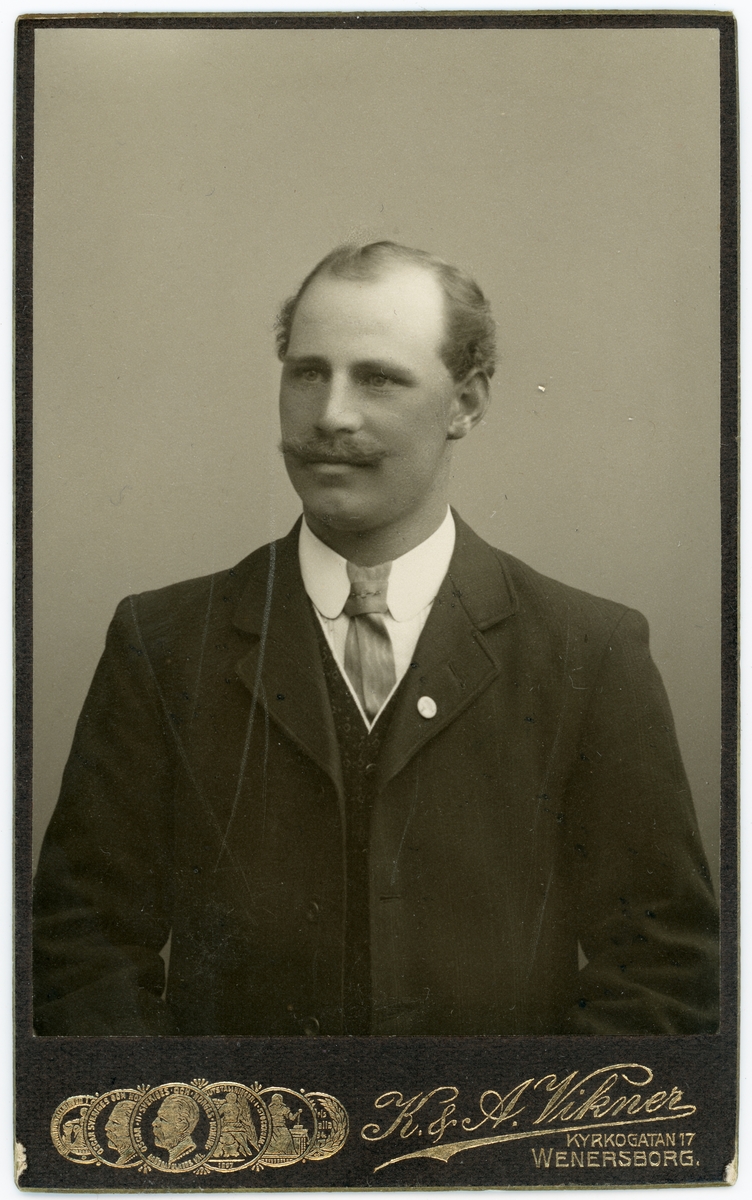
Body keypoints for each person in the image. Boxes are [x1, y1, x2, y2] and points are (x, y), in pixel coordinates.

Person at [33, 241, 718, 1037]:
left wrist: (522, 1120)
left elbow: (663, 970)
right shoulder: (161, 644)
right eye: (307, 372)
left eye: (379, 378)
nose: (331, 415)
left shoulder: (589, 652)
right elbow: (81, 954)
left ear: (466, 403)